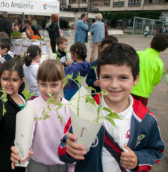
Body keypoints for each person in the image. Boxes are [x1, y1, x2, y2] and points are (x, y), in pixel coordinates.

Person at [58, 43, 165, 172]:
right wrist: (69, 151)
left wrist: (138, 159)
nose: (114, 85)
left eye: (123, 77)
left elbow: (156, 151)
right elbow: (62, 148)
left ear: (136, 78)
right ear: (98, 76)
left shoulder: (146, 119)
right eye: (107, 77)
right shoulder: (83, 109)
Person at [10, 60, 73, 172]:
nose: (48, 91)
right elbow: (26, 132)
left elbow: (72, 139)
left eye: (54, 85)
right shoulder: (33, 106)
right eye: (43, 84)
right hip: (36, 163)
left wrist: (73, 167)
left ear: (62, 83)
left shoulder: (69, 108)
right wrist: (22, 148)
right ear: (38, 82)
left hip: (61, 164)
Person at [131, 33, 168, 106]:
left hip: (128, 89)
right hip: (143, 94)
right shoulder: (159, 63)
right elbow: (155, 82)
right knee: (139, 115)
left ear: (151, 42)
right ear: (163, 50)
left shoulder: (137, 54)